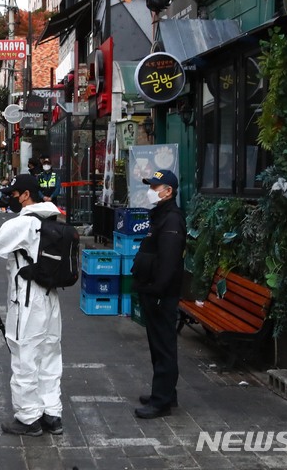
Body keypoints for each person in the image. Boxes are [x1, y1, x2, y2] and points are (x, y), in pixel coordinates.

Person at [0, 174, 64, 437]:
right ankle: (52, 414)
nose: (12, 199)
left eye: (15, 194)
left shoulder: (25, 223)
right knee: (50, 355)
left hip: (29, 301)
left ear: (26, 195)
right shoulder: (49, 219)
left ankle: (29, 417)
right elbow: (10, 244)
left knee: (24, 357)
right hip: (50, 298)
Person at [130, 169, 186, 419]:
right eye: (151, 186)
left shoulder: (171, 219)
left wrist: (158, 291)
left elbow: (169, 260)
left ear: (168, 191)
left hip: (162, 293)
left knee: (164, 345)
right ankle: (165, 393)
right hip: (154, 290)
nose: (151, 191)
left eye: (155, 187)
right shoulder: (161, 216)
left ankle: (161, 401)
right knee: (158, 344)